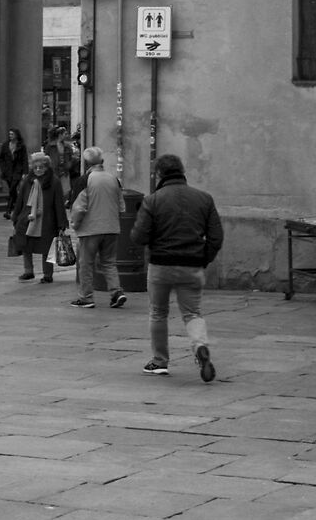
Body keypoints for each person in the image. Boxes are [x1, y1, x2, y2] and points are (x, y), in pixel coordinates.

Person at [130, 152, 224, 379]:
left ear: (159, 174)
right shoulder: (204, 198)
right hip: (192, 265)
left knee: (158, 313)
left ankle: (160, 360)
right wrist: (203, 259)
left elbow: (139, 236)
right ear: (182, 171)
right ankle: (200, 346)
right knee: (192, 313)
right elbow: (216, 237)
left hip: (161, 264)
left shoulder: (153, 200)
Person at [69, 148, 126, 309]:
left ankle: (86, 297)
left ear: (86, 163)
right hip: (111, 228)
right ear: (102, 162)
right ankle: (116, 292)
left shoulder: (84, 180)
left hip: (90, 229)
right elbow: (121, 206)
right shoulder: (113, 179)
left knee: (86, 264)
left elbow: (79, 208)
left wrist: (75, 224)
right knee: (109, 263)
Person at [12, 150, 66, 285]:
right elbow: (20, 200)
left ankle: (48, 274)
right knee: (25, 245)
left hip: (47, 220)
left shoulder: (54, 181)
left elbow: (59, 203)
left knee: (47, 247)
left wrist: (61, 224)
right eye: (35, 167)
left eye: (41, 167)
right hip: (27, 217)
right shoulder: (27, 180)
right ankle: (28, 271)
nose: (38, 170)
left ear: (46, 167)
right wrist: (16, 216)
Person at [0, 128, 30, 223]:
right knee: (13, 191)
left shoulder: (21, 146)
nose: (10, 136)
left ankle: (8, 210)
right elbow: (1, 158)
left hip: (17, 171)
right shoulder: (5, 145)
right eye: (9, 134)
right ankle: (18, 206)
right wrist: (3, 168)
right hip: (8, 171)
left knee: (12, 188)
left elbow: (24, 159)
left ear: (16, 135)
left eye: (12, 134)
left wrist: (25, 172)